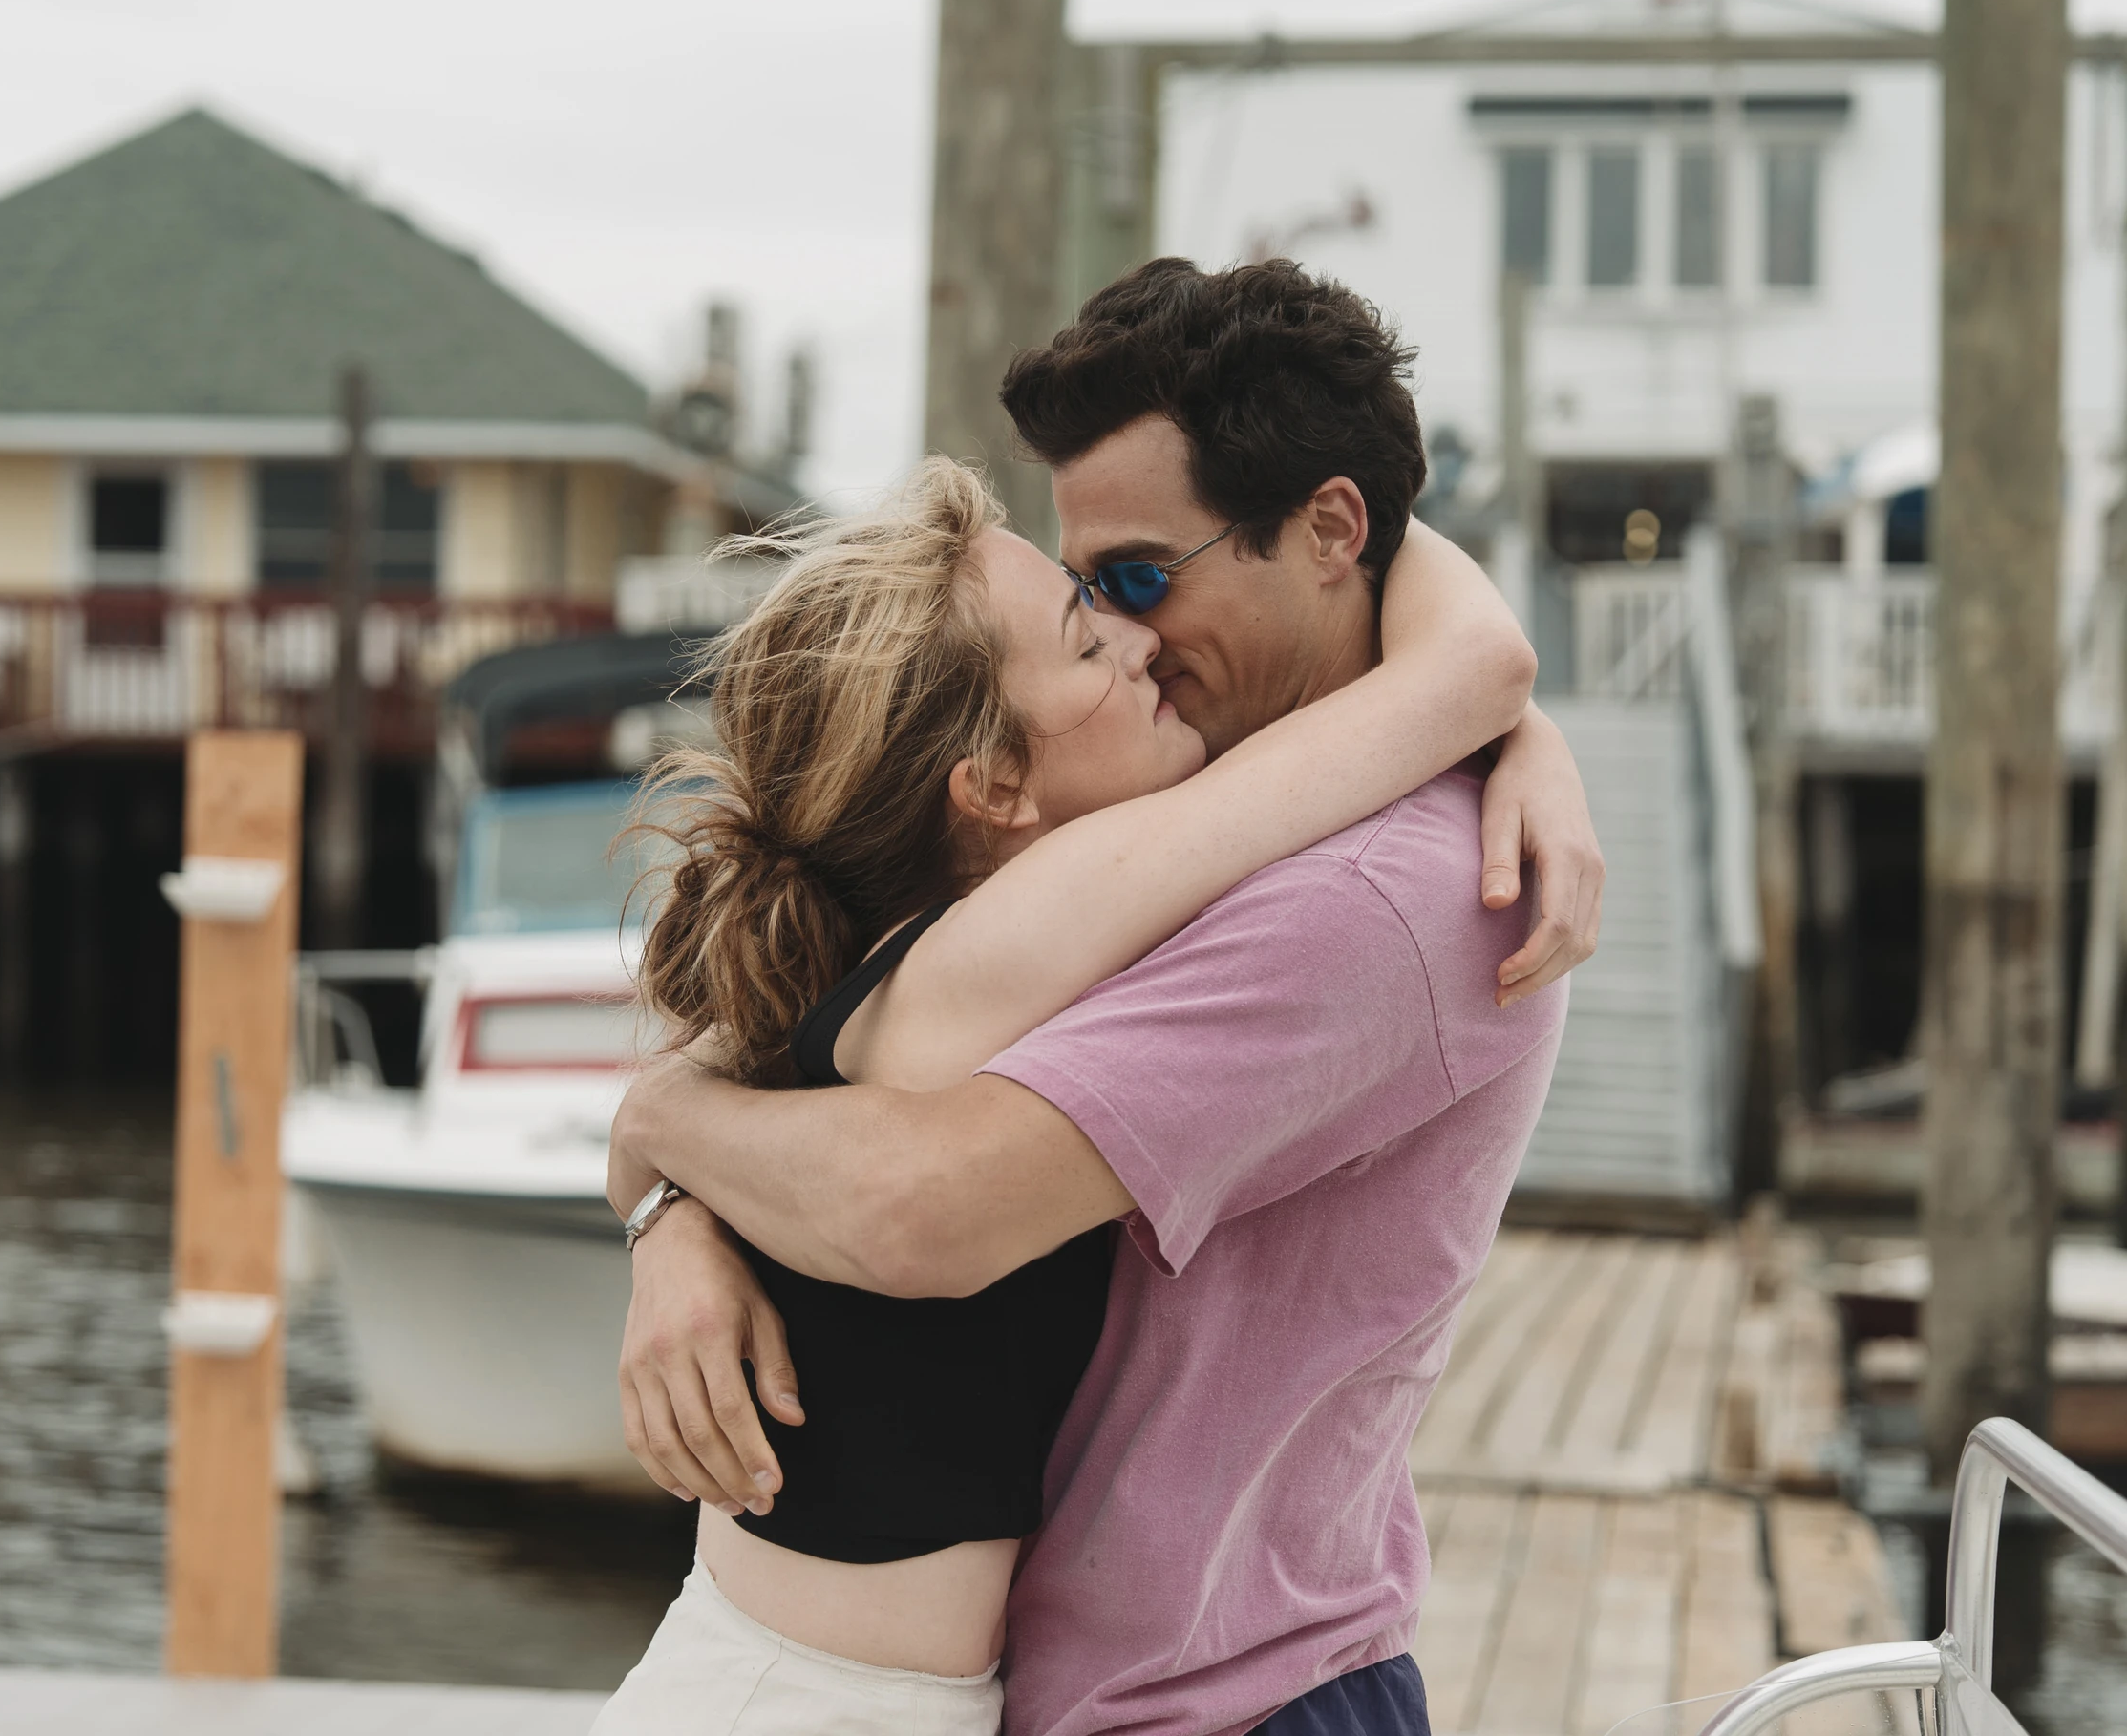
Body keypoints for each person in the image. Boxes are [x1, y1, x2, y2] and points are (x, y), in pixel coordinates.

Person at [608, 258, 1600, 1736]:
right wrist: (667, 1208)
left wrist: (668, 1122)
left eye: (1139, 580)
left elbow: (916, 1208)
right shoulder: (1119, 871)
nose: (1128, 634)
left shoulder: (1367, 900)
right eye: (1090, 601)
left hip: (1220, 1700)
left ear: (1333, 532)